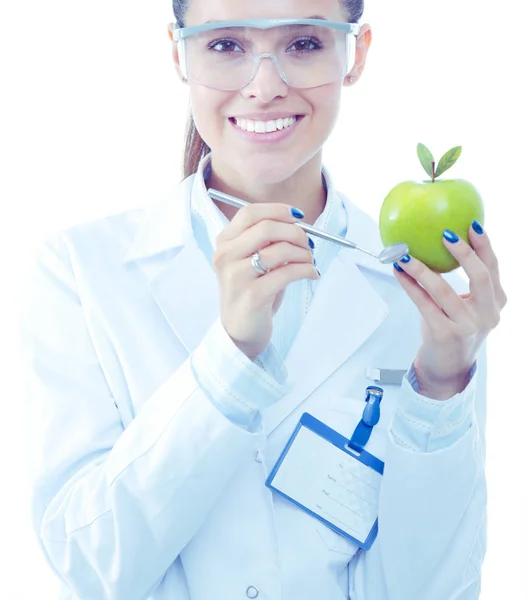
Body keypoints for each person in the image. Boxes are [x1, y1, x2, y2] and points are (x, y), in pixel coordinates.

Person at [18, 0, 508, 599]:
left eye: (304, 44)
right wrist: (230, 358)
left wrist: (441, 388)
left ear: (357, 53)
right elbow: (93, 564)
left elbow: (429, 590)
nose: (265, 86)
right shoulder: (80, 271)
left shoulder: (429, 296)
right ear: (179, 53)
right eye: (226, 45)